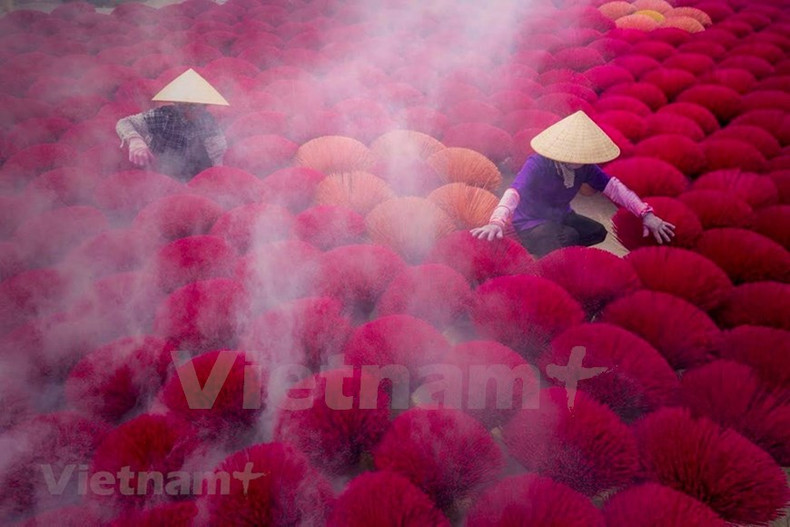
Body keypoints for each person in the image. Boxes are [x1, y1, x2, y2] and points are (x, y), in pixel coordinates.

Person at [471, 110, 675, 257]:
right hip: (530, 222)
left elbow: (614, 187)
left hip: (561, 216)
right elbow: (514, 192)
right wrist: (496, 222)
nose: (584, 160)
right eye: (580, 155)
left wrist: (645, 213)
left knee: (596, 231)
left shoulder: (584, 166)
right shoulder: (539, 163)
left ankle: (556, 251)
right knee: (568, 237)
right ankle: (539, 253)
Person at [116, 68, 229, 181]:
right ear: (179, 104)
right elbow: (124, 123)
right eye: (189, 106)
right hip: (159, 171)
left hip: (191, 171)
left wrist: (217, 172)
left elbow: (216, 152)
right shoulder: (164, 115)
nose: (197, 110)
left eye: (201, 106)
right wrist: (135, 141)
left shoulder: (207, 120)